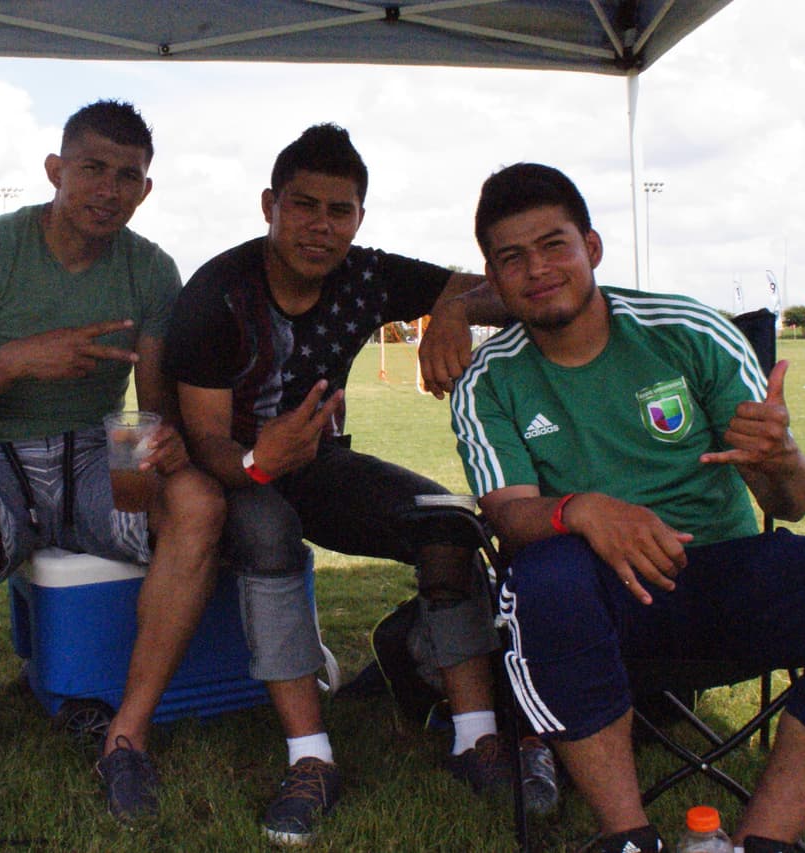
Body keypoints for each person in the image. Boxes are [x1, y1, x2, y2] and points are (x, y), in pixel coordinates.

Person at [451, 162, 805, 853]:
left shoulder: (686, 329)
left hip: (728, 574)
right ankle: (627, 836)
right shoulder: (489, 379)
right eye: (512, 257)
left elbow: (794, 501)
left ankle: (766, 840)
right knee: (542, 577)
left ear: (592, 248)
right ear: (493, 276)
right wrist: (583, 510)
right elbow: (508, 516)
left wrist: (782, 459)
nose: (537, 269)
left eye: (554, 245)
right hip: (597, 609)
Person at [164, 123, 533, 846]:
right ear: (269, 204)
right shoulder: (218, 292)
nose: (321, 226)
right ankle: (311, 757)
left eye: (340, 210)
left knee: (447, 521)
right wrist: (256, 458)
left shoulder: (366, 273)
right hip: (236, 470)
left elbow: (504, 288)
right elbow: (204, 437)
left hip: (320, 465)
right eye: (304, 205)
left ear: (359, 218)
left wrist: (450, 307)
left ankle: (474, 735)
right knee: (267, 527)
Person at [0, 100, 224, 821]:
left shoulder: (150, 268)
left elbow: (153, 401)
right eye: (93, 169)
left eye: (128, 176)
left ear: (145, 189)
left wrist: (165, 440)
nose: (109, 189)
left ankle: (127, 733)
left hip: (99, 444)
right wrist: (18, 359)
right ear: (55, 170)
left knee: (198, 504)